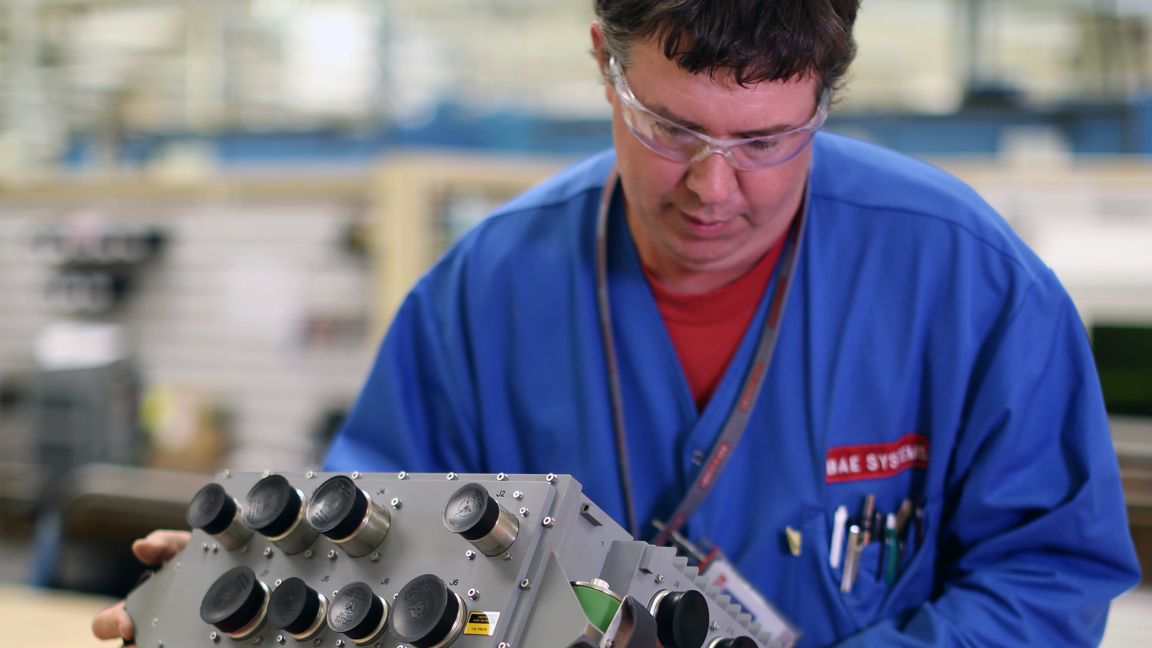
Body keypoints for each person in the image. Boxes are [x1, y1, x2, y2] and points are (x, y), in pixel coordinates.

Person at [95, 1, 1140, 646]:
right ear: (604, 59)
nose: (715, 188)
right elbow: (380, 553)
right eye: (670, 126)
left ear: (825, 99)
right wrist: (275, 594)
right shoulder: (481, 294)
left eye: (770, 138)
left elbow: (1047, 574)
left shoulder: (970, 281)